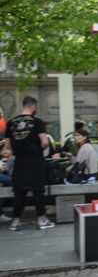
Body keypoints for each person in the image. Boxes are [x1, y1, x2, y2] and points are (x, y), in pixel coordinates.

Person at [5, 96, 55, 231]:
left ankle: (15, 222)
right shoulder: (37, 121)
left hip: (19, 161)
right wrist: (38, 150)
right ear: (33, 106)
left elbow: (8, 147)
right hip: (35, 161)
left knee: (19, 192)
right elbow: (44, 142)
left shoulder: (11, 122)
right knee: (38, 191)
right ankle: (41, 220)